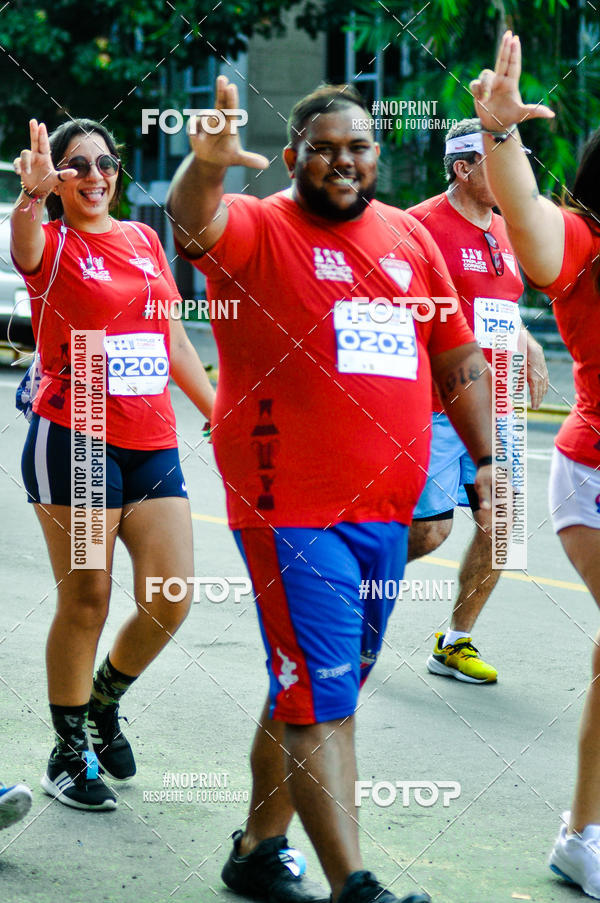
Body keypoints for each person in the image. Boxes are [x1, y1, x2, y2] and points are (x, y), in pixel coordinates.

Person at [167, 76, 496, 903]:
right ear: (292, 157)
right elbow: (191, 220)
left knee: (320, 682)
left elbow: (456, 360)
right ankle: (358, 884)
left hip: (382, 511)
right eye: (324, 148)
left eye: (358, 147)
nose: (342, 161)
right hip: (288, 506)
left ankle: (256, 849)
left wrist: (487, 463)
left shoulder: (409, 241)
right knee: (321, 690)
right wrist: (205, 166)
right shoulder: (258, 226)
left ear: (377, 156)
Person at [11, 118, 215, 811]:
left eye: (105, 162)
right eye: (76, 165)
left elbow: (176, 338)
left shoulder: (144, 239)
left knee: (171, 596)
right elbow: (26, 244)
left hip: (151, 437)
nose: (95, 175)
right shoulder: (53, 244)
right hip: (76, 435)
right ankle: (67, 753)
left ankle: (103, 700)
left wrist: (218, 410)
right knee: (89, 596)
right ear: (58, 176)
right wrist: (31, 201)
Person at [471, 30, 600, 899]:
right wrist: (504, 136)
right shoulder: (586, 241)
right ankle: (581, 834)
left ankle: (581, 829)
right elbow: (534, 232)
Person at [406, 118, 549, 684]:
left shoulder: (508, 227)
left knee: (503, 522)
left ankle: (454, 641)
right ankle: (349, 589)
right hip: (436, 408)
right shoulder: (419, 227)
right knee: (429, 531)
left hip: (498, 407)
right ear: (463, 170)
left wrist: (529, 342)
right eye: (499, 160)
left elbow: (500, 305)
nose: (519, 171)